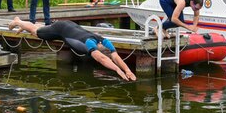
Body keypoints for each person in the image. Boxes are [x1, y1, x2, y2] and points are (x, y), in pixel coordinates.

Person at [8, 17, 136, 81]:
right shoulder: (90, 43)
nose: (106, 52)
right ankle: (18, 21)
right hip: (61, 28)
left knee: (41, 30)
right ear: (98, 48)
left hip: (69, 26)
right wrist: (118, 70)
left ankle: (30, 25)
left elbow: (115, 56)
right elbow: (102, 59)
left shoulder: (104, 41)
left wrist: (127, 70)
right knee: (36, 32)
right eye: (104, 51)